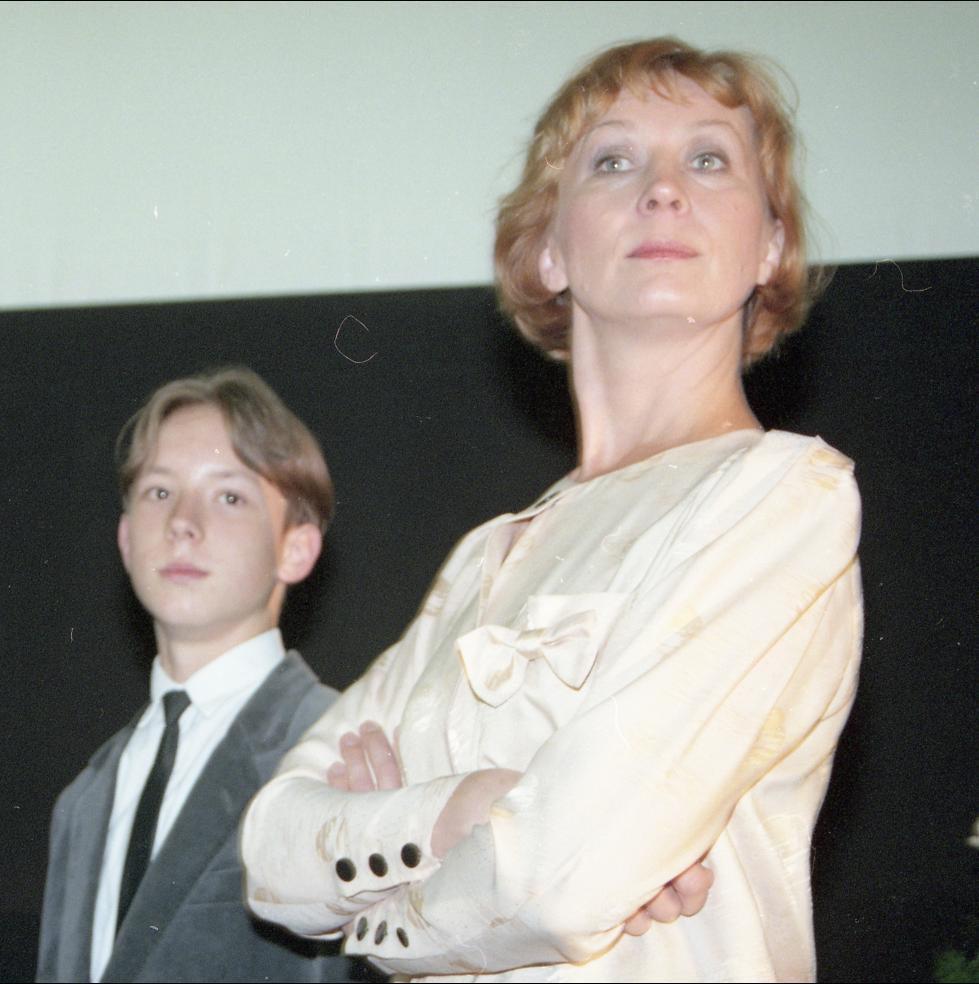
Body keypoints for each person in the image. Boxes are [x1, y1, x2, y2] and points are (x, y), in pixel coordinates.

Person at [241, 37, 862, 981]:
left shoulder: (780, 495)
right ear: (547, 252)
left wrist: (373, 902)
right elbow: (270, 850)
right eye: (612, 161)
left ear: (769, 245)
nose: (663, 190)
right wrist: (461, 811)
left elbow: (563, 882)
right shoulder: (487, 554)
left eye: (708, 159)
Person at [38, 368, 366, 982]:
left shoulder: (338, 746)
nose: (183, 522)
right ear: (126, 539)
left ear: (295, 549)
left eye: (229, 497)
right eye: (160, 492)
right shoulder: (83, 799)